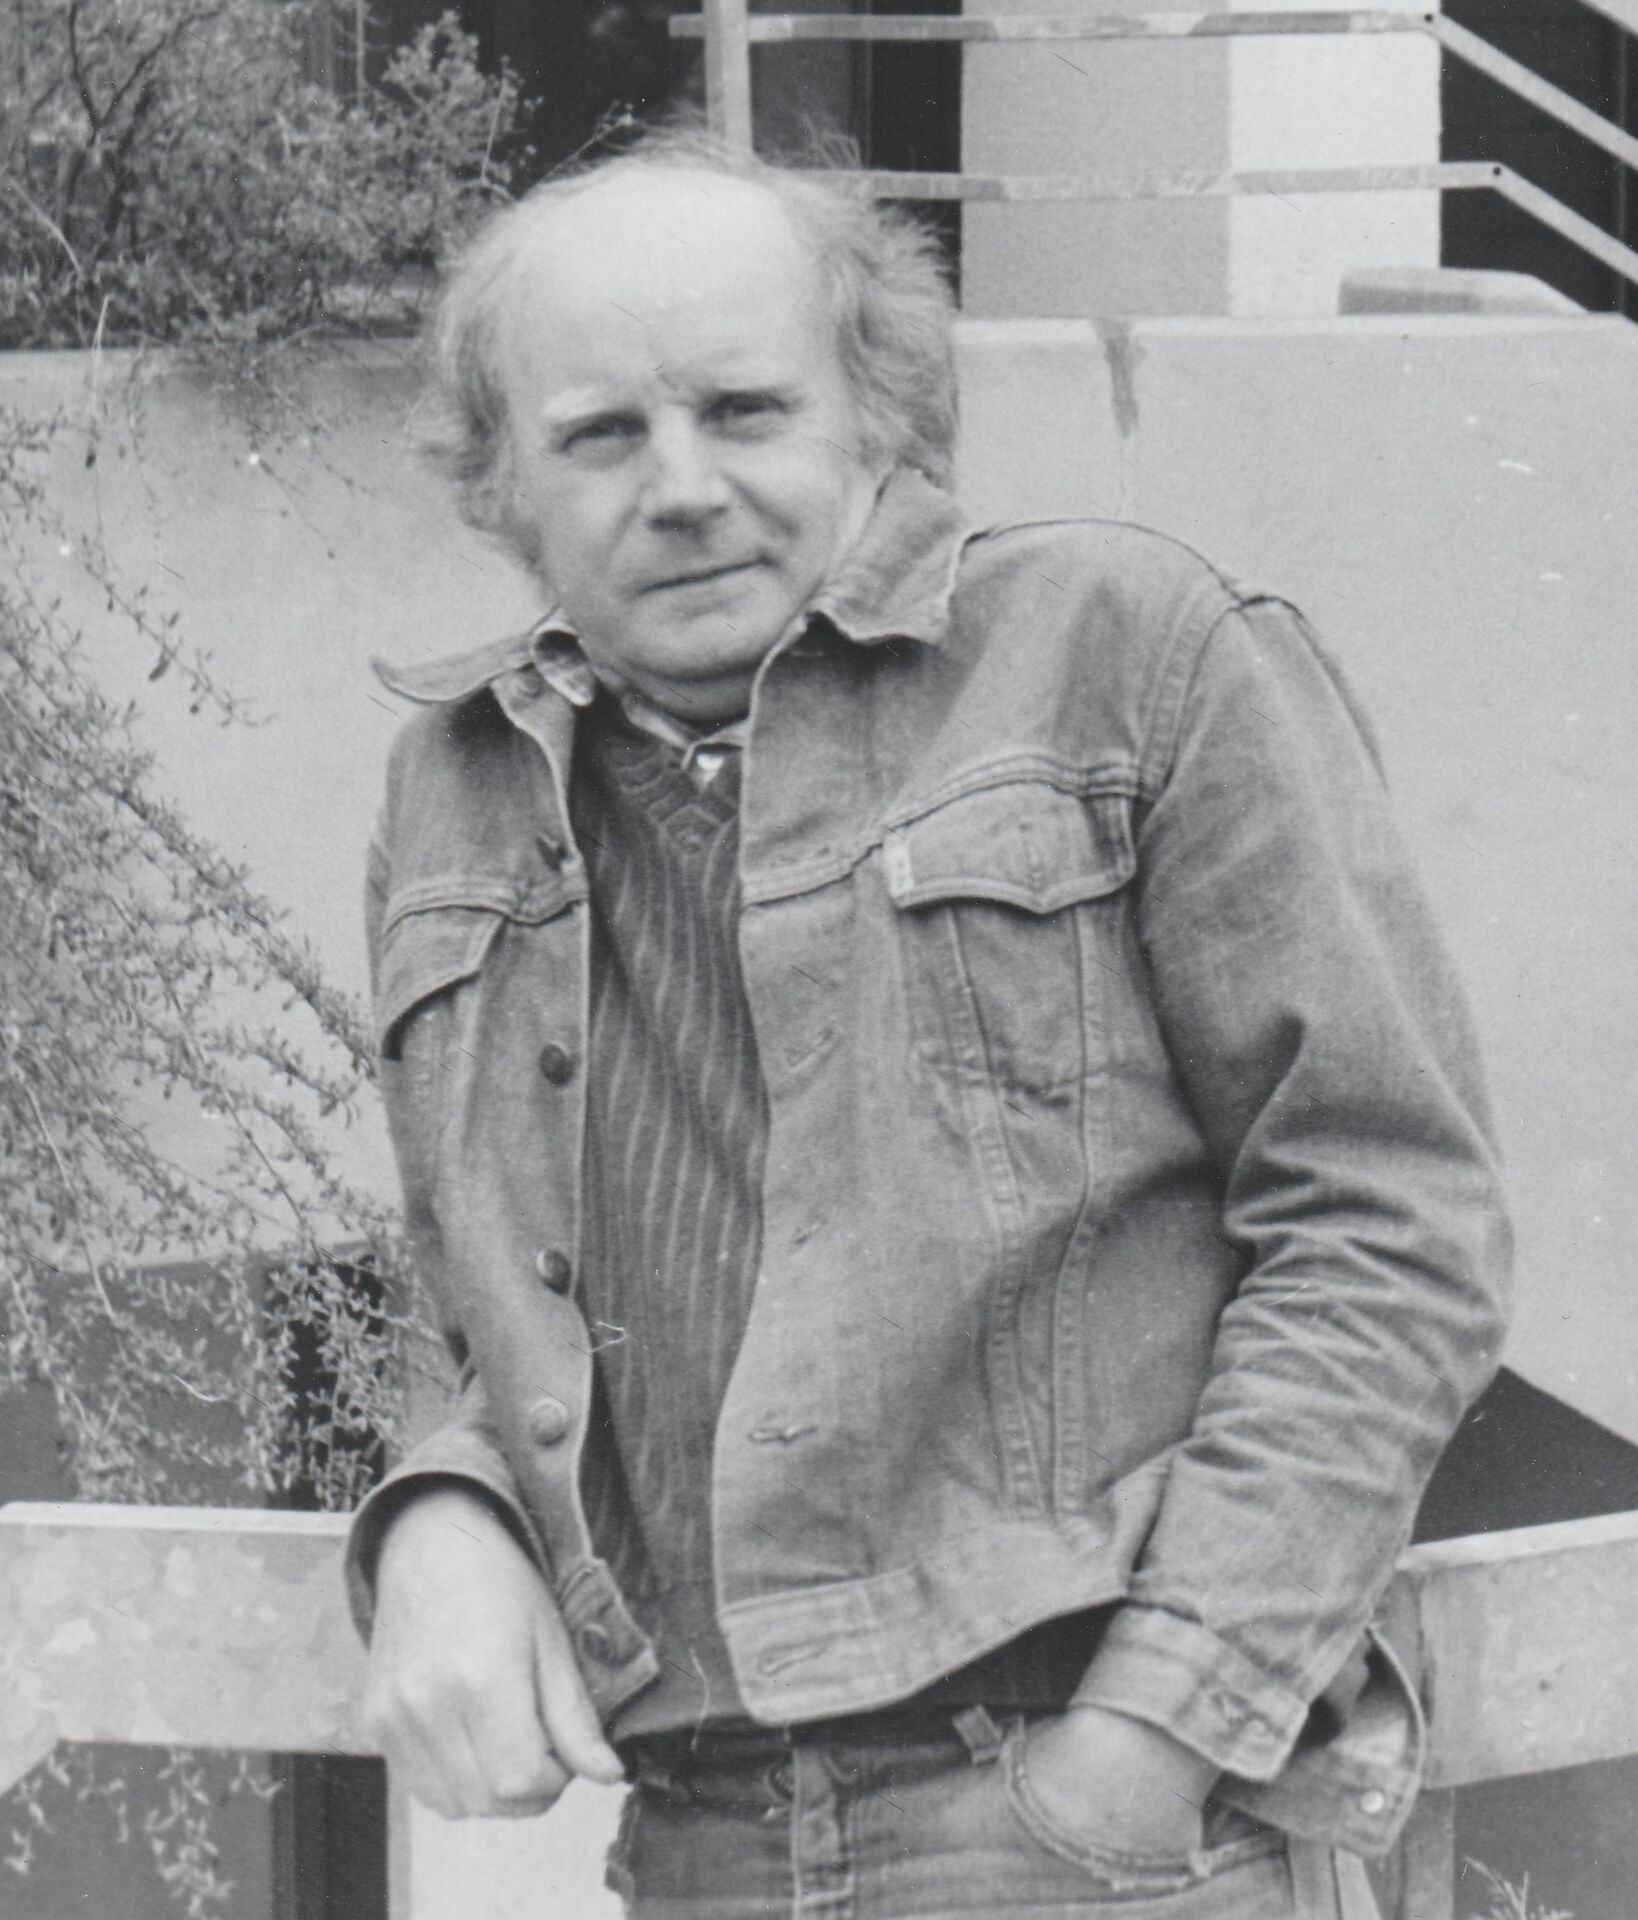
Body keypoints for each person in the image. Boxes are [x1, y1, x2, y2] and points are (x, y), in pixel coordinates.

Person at [349, 127, 1511, 1919]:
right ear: (503, 483)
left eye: (744, 409)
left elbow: (1388, 1219)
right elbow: (493, 1310)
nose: (681, 486)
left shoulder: (1128, 648)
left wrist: (1147, 1740)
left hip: (1082, 1822)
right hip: (693, 1839)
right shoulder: (451, 788)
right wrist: (440, 1510)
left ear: (873, 416)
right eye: (598, 434)